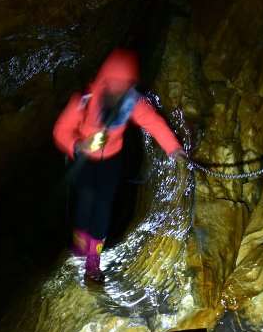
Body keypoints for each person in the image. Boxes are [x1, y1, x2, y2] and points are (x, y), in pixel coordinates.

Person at [53, 48, 186, 282]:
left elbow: (152, 121)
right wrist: (77, 145)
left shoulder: (132, 102)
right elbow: (60, 131)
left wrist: (173, 148)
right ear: (105, 80)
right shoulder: (85, 100)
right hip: (84, 160)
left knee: (103, 207)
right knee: (85, 202)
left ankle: (93, 263)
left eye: (123, 86)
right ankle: (79, 247)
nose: (118, 91)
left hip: (111, 160)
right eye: (115, 84)